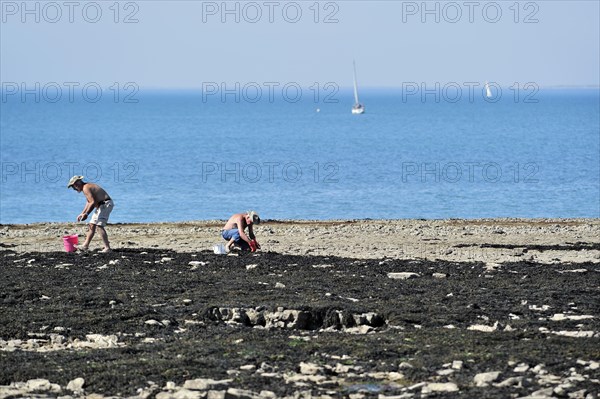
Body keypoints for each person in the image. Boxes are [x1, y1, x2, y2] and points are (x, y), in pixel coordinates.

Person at [67, 175, 114, 252]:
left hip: (105, 204)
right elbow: (89, 202)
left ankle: (107, 248)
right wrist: (82, 213)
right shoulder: (86, 187)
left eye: (73, 187)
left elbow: (93, 202)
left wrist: (86, 214)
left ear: (76, 184)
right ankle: (85, 246)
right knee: (91, 225)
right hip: (100, 206)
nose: (74, 189)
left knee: (99, 226)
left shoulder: (86, 188)